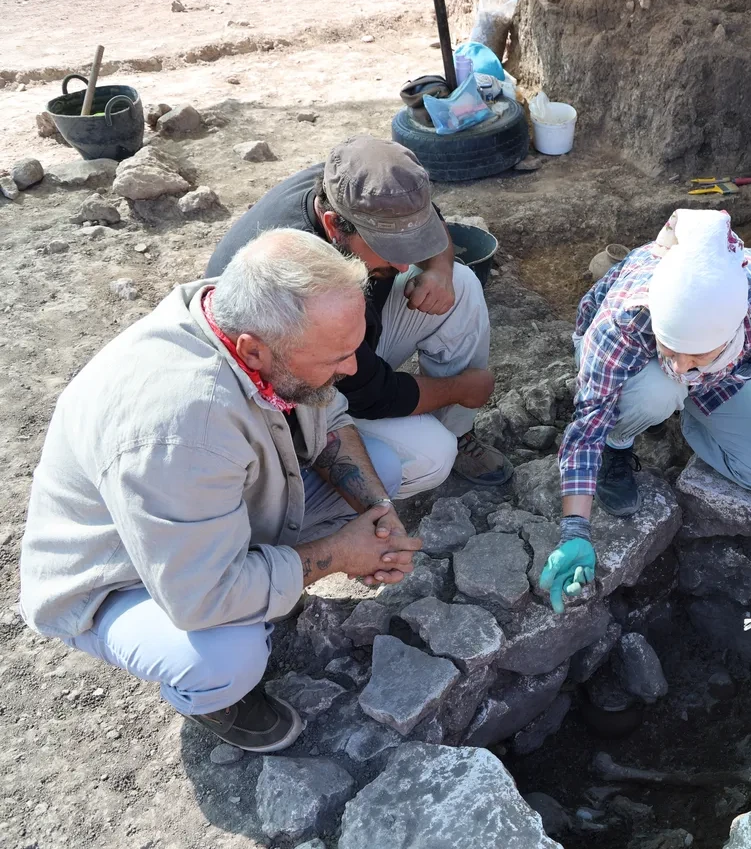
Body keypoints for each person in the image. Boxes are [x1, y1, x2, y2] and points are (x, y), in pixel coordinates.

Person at [19, 230, 424, 753]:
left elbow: (329, 420)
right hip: (117, 577)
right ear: (254, 351)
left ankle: (264, 577)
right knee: (225, 656)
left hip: (196, 515)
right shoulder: (181, 429)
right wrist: (341, 554)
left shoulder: (241, 315)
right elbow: (202, 598)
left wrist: (378, 512)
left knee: (385, 468)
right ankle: (212, 701)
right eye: (335, 358)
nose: (351, 369)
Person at [539, 208, 751, 611]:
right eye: (672, 350)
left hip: (725, 375)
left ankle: (691, 414)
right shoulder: (625, 318)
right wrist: (575, 530)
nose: (681, 366)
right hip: (640, 371)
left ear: (733, 330)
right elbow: (588, 422)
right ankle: (620, 445)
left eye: (696, 356)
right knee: (658, 390)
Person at [204, 135, 511, 492]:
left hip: (343, 348)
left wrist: (440, 268)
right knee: (430, 456)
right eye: (387, 248)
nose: (403, 263)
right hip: (294, 390)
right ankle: (314, 494)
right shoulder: (300, 280)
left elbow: (428, 219)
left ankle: (458, 433)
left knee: (462, 282)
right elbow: (370, 390)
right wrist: (460, 388)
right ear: (334, 225)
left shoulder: (357, 187)